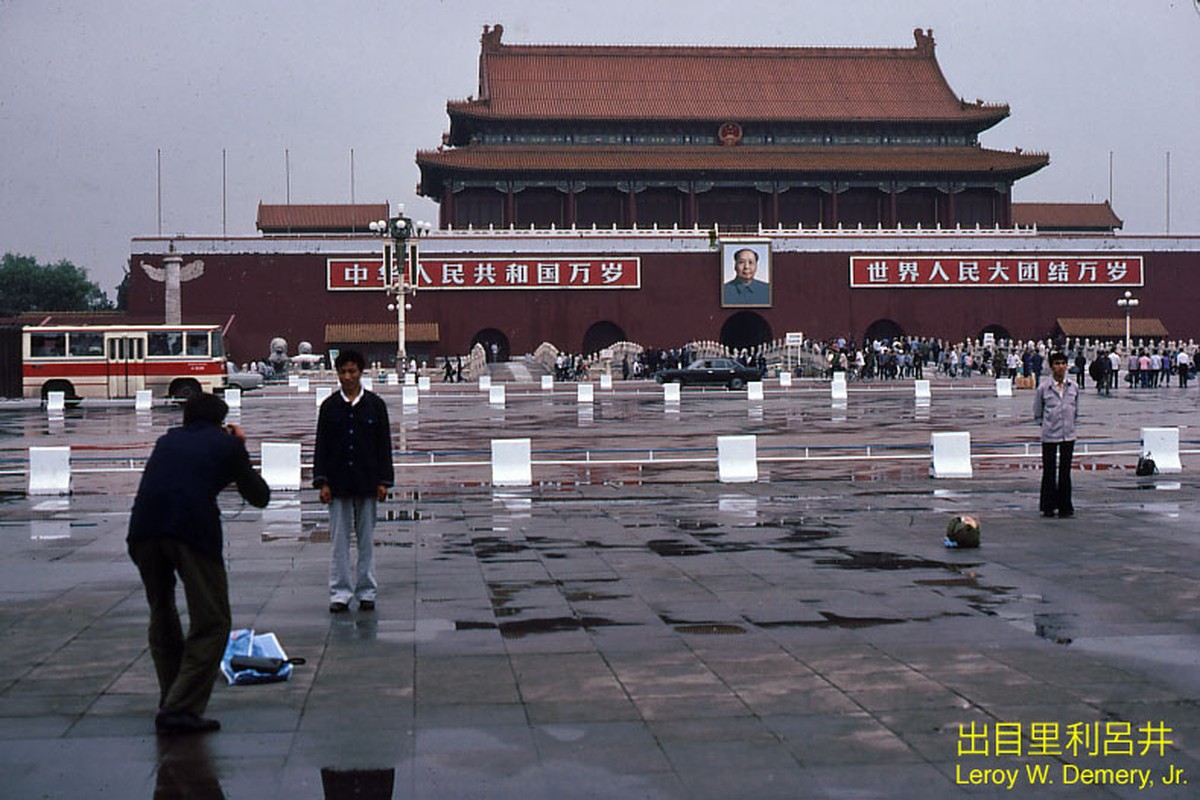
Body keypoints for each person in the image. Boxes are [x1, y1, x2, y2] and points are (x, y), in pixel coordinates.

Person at [127, 393, 271, 735]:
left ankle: (172, 697)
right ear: (221, 420)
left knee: (162, 614)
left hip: (143, 532)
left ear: (186, 419)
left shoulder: (167, 441)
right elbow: (259, 496)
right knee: (212, 621)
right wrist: (240, 448)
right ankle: (180, 708)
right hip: (190, 532)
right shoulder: (227, 444)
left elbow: (186, 474)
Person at [314, 349, 394, 613]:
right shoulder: (329, 407)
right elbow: (321, 447)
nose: (347, 377)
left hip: (367, 481)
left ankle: (367, 591)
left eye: (352, 371)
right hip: (337, 482)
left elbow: (384, 446)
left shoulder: (375, 405)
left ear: (361, 372)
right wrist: (322, 482)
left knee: (365, 540)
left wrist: (384, 481)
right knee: (339, 541)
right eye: (343, 372)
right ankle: (340, 593)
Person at [1033, 352, 1080, 518]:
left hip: (1069, 434)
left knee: (1065, 472)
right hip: (1050, 434)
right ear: (1051, 366)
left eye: (1063, 363)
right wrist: (1047, 425)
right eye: (1057, 363)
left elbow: (1076, 411)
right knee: (1049, 471)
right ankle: (1048, 506)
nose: (1060, 367)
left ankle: (1065, 506)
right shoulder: (1043, 388)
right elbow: (1037, 413)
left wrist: (1070, 425)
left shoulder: (1073, 387)